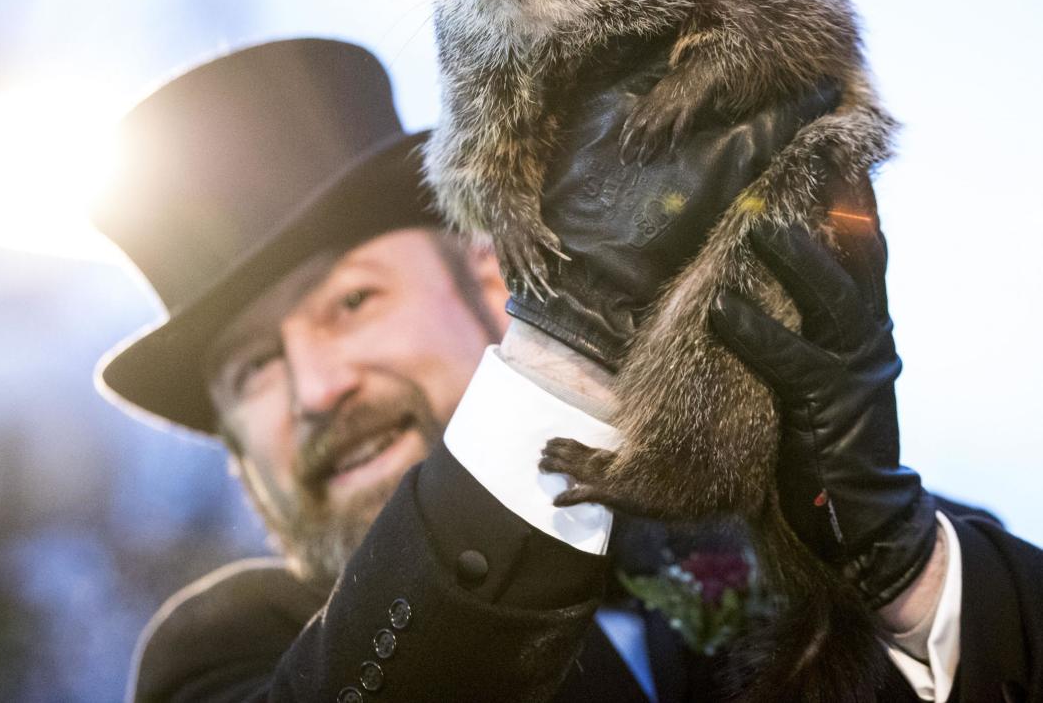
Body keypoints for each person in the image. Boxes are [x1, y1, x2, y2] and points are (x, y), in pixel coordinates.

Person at [91, 38, 1041, 703]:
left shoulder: (762, 542)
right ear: (235, 458)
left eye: (354, 303)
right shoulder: (220, 651)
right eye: (254, 368)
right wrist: (572, 349)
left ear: (493, 278)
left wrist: (896, 568)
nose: (316, 389)